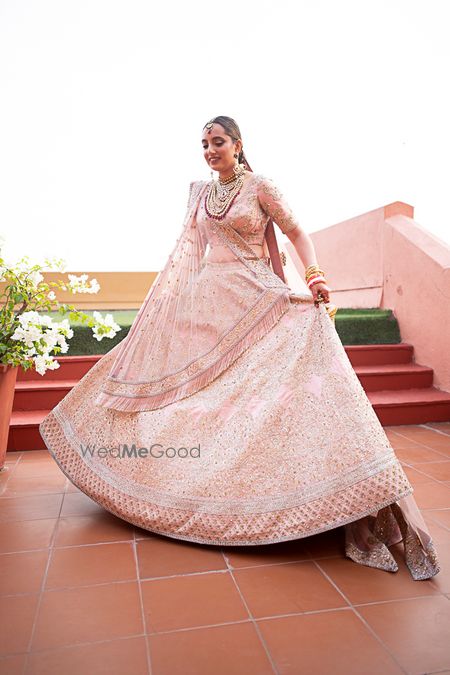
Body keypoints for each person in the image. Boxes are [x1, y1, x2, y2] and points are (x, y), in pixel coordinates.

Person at [39, 115, 440, 581]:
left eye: (218, 142)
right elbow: (189, 252)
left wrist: (315, 279)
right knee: (176, 384)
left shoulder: (260, 187)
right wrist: (168, 308)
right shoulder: (198, 194)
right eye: (204, 144)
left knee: (253, 391)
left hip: (255, 296)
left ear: (238, 144)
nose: (210, 151)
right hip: (208, 299)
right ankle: (165, 481)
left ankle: (289, 488)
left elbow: (297, 234)